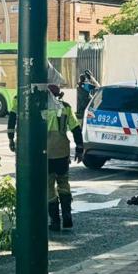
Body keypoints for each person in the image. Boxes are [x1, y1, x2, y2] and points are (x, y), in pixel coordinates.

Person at [44, 84, 83, 231]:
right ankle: (67, 215)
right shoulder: (65, 107)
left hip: (45, 152)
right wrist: (79, 149)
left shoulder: (40, 108)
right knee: (63, 182)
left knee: (48, 187)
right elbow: (76, 128)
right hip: (62, 151)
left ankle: (55, 221)